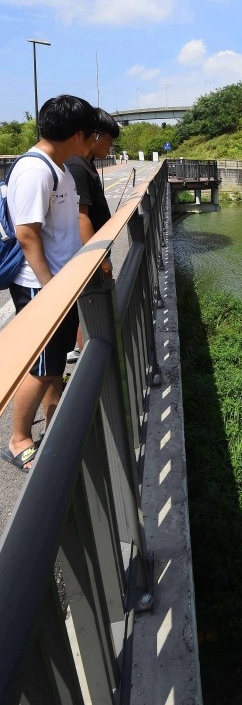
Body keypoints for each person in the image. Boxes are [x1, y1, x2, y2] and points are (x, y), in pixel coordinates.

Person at [1, 95, 98, 471]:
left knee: (53, 362)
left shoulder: (58, 167)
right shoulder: (35, 170)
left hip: (57, 283)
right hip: (40, 287)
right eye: (89, 135)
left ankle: (53, 419)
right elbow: (27, 235)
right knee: (41, 366)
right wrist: (50, 290)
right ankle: (18, 439)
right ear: (76, 135)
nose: (92, 142)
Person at [65, 107, 120, 360]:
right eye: (110, 140)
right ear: (96, 136)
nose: (111, 147)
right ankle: (88, 352)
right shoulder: (76, 166)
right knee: (92, 301)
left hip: (96, 249)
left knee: (89, 303)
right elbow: (81, 215)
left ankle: (84, 347)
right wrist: (97, 260)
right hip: (91, 254)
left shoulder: (86, 163)